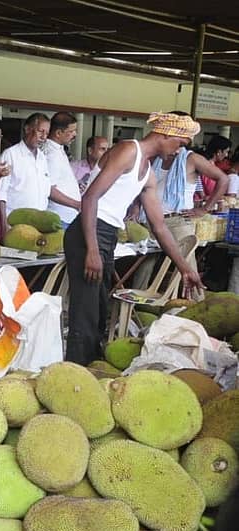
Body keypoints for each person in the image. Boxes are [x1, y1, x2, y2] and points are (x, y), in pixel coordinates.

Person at [64, 111, 204, 366]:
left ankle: (92, 366)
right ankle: (76, 370)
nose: (178, 152)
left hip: (105, 235)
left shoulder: (147, 173)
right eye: (180, 145)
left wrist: (184, 268)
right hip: (87, 233)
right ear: (166, 134)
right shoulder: (129, 150)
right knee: (85, 312)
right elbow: (90, 198)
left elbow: (159, 226)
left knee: (99, 310)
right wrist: (92, 250)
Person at [0, 113, 52, 232]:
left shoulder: (42, 158)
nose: (44, 137)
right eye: (40, 131)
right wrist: (4, 227)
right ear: (27, 129)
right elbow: (1, 194)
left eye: (47, 133)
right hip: (16, 226)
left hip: (39, 226)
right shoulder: (11, 154)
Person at [44, 112, 83, 228]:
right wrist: (77, 204)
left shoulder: (58, 149)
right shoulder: (52, 154)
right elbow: (49, 189)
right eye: (71, 131)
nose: (75, 134)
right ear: (58, 133)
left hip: (66, 216)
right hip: (60, 217)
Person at [199, 135, 232, 205]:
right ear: (219, 151)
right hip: (200, 204)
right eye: (226, 151)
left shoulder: (210, 164)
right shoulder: (208, 166)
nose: (226, 155)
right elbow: (210, 189)